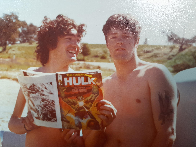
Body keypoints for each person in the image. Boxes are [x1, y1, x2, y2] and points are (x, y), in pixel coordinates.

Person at [8, 14, 116, 147]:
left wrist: (97, 127)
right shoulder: (32, 75)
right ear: (51, 43)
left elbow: (90, 143)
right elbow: (12, 122)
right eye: (69, 38)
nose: (76, 45)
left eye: (77, 40)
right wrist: (26, 125)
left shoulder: (85, 81)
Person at [99, 14, 178, 147]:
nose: (119, 41)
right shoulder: (104, 84)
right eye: (113, 37)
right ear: (107, 43)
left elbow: (167, 134)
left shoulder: (155, 74)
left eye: (126, 36)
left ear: (137, 41)